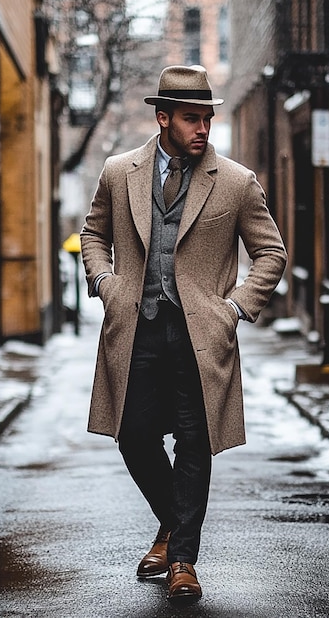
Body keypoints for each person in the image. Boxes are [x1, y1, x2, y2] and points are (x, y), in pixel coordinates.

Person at [80, 65, 287, 603]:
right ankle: (174, 525)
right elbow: (93, 233)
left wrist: (235, 308)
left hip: (202, 334)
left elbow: (271, 253)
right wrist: (105, 283)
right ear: (163, 118)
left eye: (208, 119)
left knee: (196, 442)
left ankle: (183, 561)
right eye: (192, 119)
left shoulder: (237, 182)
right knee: (133, 435)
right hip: (137, 329)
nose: (203, 129)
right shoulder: (118, 171)